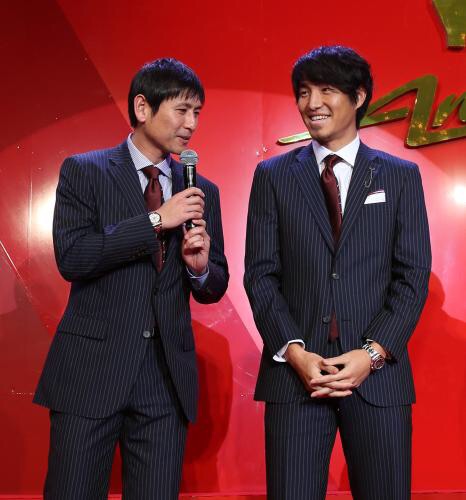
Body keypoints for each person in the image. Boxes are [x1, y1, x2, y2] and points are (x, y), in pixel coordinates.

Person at [34, 58, 229, 499]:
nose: (191, 124)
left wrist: (199, 269)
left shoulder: (202, 191)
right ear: (143, 107)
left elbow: (215, 284)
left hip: (164, 380)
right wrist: (157, 220)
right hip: (90, 374)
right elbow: (73, 257)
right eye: (182, 110)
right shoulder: (85, 171)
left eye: (197, 112)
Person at [244, 45, 431, 500]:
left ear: (359, 96)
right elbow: (260, 275)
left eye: (327, 90)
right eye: (304, 92)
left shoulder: (399, 176)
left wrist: (372, 354)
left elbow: (412, 275)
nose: (313, 103)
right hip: (296, 379)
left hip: (378, 379)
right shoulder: (273, 176)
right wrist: (294, 352)